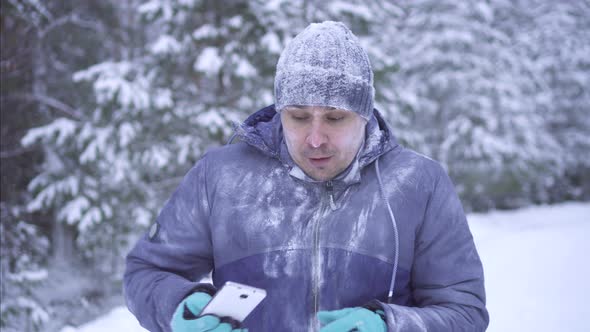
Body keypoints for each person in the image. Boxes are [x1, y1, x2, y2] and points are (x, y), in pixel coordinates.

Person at [124, 21, 489, 332]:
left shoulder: (418, 182)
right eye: (298, 117)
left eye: (334, 118)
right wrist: (177, 307)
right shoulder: (221, 175)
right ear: (280, 111)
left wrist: (391, 324)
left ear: (364, 114)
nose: (315, 138)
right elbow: (146, 271)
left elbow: (465, 311)